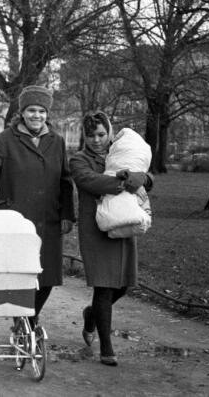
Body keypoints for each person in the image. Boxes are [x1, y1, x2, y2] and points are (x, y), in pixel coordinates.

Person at [0, 85, 75, 330]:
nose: (36, 116)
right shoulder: (5, 140)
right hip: (16, 219)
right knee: (20, 274)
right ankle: (24, 322)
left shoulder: (57, 141)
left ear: (47, 114)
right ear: (22, 113)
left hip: (48, 219)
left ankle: (29, 317)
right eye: (31, 110)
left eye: (41, 111)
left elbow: (65, 180)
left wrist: (67, 214)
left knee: (48, 276)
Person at [68, 111, 153, 367]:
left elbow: (145, 175)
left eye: (101, 134)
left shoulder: (117, 153)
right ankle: (106, 347)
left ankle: (91, 314)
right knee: (104, 286)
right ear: (84, 136)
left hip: (122, 224)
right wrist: (126, 181)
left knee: (123, 285)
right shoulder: (78, 159)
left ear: (109, 133)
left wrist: (144, 178)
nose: (96, 140)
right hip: (95, 229)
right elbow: (91, 182)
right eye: (91, 135)